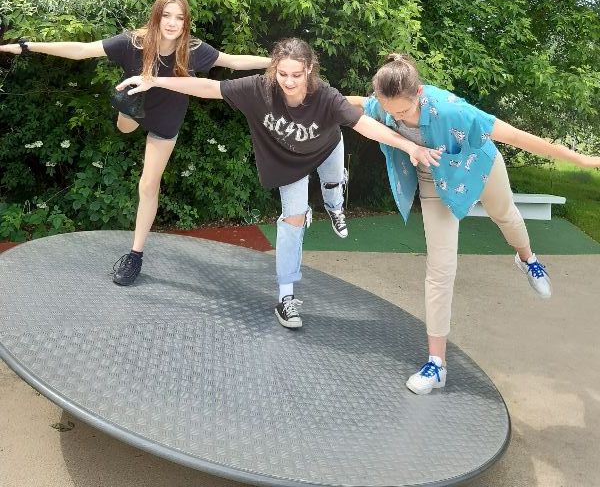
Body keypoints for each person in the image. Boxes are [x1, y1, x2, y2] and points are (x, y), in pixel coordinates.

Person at [116, 38, 443, 329]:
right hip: (290, 165)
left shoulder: (325, 96)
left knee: (332, 183)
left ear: (309, 69)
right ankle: (286, 297)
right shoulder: (259, 89)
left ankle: (334, 206)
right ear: (275, 69)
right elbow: (207, 87)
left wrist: (410, 146)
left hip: (327, 146)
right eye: (283, 74)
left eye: (296, 75)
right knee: (292, 219)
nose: (289, 81)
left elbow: (365, 125)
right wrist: (153, 80)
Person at [346, 54, 600, 395]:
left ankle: (528, 259)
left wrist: (581, 159)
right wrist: (309, 95)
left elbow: (516, 136)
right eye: (392, 113)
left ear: (419, 92)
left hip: (478, 167)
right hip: (435, 179)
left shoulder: (452, 110)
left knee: (506, 215)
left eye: (403, 111)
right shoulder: (384, 105)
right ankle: (437, 364)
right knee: (440, 268)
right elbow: (353, 104)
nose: (398, 118)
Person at [0, 0, 271, 285]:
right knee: (125, 127)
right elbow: (81, 50)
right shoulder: (134, 43)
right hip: (134, 109)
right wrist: (26, 46)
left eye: (179, 18)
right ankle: (124, 103)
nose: (172, 23)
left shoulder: (193, 49)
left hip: (166, 118)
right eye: (166, 15)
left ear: (186, 22)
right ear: (156, 17)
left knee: (148, 184)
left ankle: (135, 255)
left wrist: (277, 63)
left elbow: (233, 61)